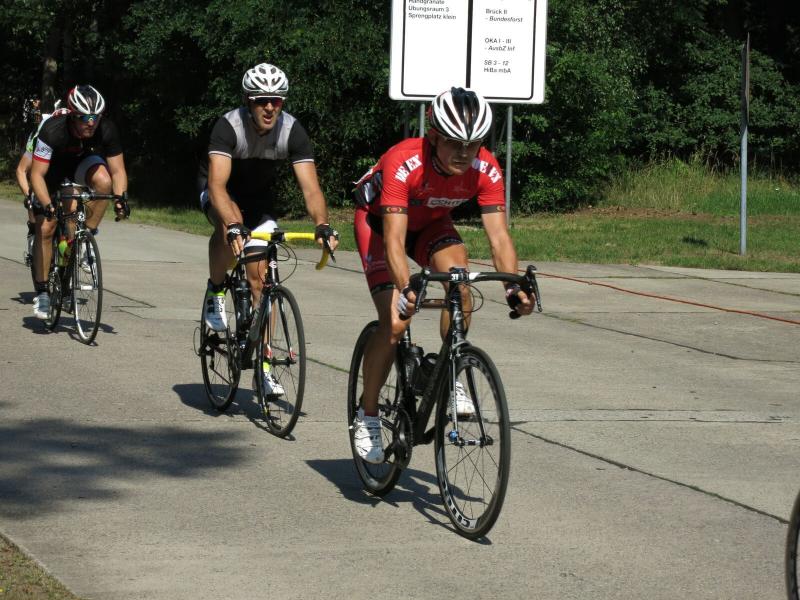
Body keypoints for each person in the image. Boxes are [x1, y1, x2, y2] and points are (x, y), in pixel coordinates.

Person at [350, 87, 536, 463]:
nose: (464, 153)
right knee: (395, 322)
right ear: (434, 137)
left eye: (473, 144)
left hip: (430, 224)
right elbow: (394, 240)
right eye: (454, 143)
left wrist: (513, 287)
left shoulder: (486, 168)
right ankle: (367, 416)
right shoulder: (404, 161)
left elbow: (499, 237)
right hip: (380, 225)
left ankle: (449, 372)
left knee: (460, 284)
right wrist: (406, 289)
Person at [199, 62, 339, 395]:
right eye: (261, 100)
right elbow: (217, 186)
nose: (269, 107)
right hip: (220, 191)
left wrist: (322, 224)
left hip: (259, 200)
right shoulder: (228, 127)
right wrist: (234, 226)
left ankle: (263, 367)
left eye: (276, 100)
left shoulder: (292, 130)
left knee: (262, 282)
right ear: (248, 102)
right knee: (227, 226)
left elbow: (311, 189)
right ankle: (216, 291)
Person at [29, 85, 130, 319]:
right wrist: (47, 205)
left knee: (104, 182)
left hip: (80, 163)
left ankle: (85, 239)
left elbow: (118, 171)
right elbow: (36, 175)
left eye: (96, 117)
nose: (91, 123)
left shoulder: (106, 129)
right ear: (73, 116)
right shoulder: (53, 130)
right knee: (46, 227)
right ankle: (42, 293)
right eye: (85, 118)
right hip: (51, 170)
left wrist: (121, 199)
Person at [16, 100, 69, 271]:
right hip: (43, 175)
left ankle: (73, 251)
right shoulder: (41, 136)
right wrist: (28, 196)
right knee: (35, 203)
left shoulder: (77, 137)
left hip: (62, 176)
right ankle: (34, 235)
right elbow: (21, 171)